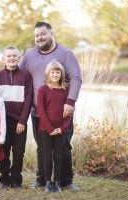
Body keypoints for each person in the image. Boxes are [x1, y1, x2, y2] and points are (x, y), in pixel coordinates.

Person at [19, 22, 82, 192]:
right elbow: (18, 75)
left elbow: (76, 78)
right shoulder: (29, 55)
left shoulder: (66, 54)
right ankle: (42, 179)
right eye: (36, 35)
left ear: (51, 33)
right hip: (37, 112)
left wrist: (70, 102)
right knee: (42, 147)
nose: (39, 38)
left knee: (64, 146)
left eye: (42, 34)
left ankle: (65, 181)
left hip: (62, 111)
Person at [0, 46, 33, 188]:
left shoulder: (25, 75)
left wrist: (22, 120)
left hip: (19, 122)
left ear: (19, 58)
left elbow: (28, 100)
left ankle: (16, 179)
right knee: (3, 152)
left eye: (14, 56)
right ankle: (4, 179)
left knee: (18, 153)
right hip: (3, 122)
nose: (11, 58)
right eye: (8, 56)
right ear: (3, 58)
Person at [37, 60, 70, 193]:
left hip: (61, 129)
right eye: (53, 72)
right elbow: (41, 110)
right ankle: (47, 182)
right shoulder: (43, 89)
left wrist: (61, 128)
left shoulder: (65, 90)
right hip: (46, 129)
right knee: (47, 156)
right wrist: (50, 128)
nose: (55, 75)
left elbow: (68, 113)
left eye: (57, 72)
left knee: (58, 156)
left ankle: (57, 182)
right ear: (48, 74)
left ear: (61, 74)